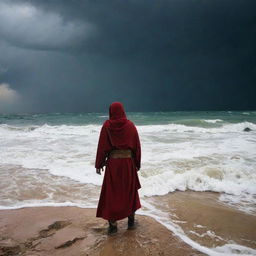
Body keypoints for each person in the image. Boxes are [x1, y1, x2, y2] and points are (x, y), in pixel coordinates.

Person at [95, 102, 141, 235]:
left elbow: (102, 147)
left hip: (113, 165)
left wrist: (98, 164)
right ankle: (131, 222)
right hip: (128, 164)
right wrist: (137, 164)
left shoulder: (107, 126)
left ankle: (113, 226)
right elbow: (137, 146)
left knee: (112, 194)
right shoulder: (131, 126)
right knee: (129, 192)